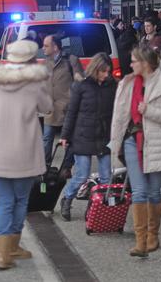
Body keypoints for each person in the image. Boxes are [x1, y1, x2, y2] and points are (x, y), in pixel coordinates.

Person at [0, 40, 52, 270]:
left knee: (4, 201)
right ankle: (13, 246)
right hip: (24, 151)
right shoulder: (34, 83)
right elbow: (47, 107)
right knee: (20, 200)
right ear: (31, 59)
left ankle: (2, 255)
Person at [109, 46, 161, 257]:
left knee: (153, 192)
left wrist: (149, 111)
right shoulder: (128, 82)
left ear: (145, 63)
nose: (130, 64)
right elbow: (119, 117)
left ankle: (153, 235)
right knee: (139, 191)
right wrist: (115, 142)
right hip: (132, 140)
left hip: (157, 142)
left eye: (134, 61)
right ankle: (140, 241)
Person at [59, 53, 117, 221]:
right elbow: (72, 112)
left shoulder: (112, 86)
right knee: (82, 175)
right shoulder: (81, 86)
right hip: (82, 135)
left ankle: (99, 208)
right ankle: (67, 198)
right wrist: (65, 135)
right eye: (103, 71)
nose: (106, 75)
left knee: (106, 177)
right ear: (95, 69)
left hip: (103, 135)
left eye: (108, 71)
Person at [42, 35, 83, 168]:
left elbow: (79, 82)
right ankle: (45, 168)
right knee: (46, 138)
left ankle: (66, 168)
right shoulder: (46, 62)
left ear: (55, 47)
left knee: (68, 140)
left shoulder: (71, 60)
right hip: (50, 108)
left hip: (67, 108)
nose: (43, 48)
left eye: (46, 45)